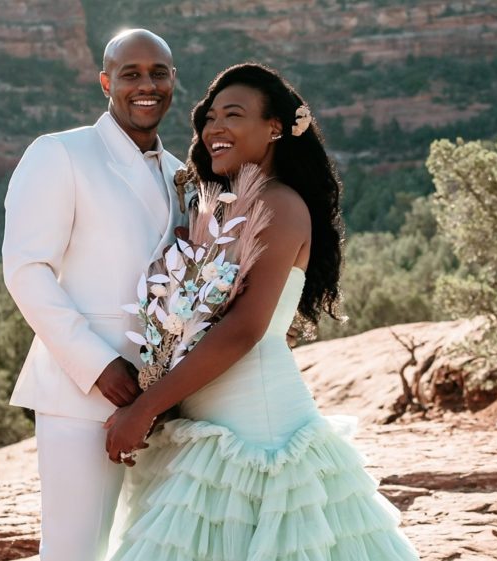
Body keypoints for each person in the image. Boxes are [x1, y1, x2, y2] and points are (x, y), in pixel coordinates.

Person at [104, 63, 420, 560]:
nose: (215, 129)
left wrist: (142, 409)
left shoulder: (278, 204)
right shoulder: (221, 210)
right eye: (209, 118)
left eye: (233, 114)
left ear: (274, 127)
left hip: (262, 443)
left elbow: (245, 329)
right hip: (207, 438)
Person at [2, 29, 184, 561]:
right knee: (75, 551)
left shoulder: (182, 175)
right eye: (131, 74)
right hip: (79, 395)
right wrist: (100, 366)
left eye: (159, 73)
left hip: (166, 402)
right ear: (106, 82)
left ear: (173, 81)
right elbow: (26, 270)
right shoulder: (59, 153)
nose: (146, 84)